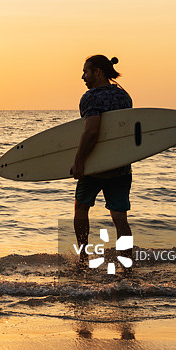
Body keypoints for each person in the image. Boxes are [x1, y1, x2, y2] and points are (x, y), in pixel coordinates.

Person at [71, 55, 133, 265]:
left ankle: (82, 257)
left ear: (98, 72)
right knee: (120, 218)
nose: (83, 77)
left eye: (86, 71)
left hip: (95, 166)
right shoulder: (124, 96)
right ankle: (126, 263)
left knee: (81, 208)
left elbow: (91, 131)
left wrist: (79, 161)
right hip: (120, 166)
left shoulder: (91, 97)